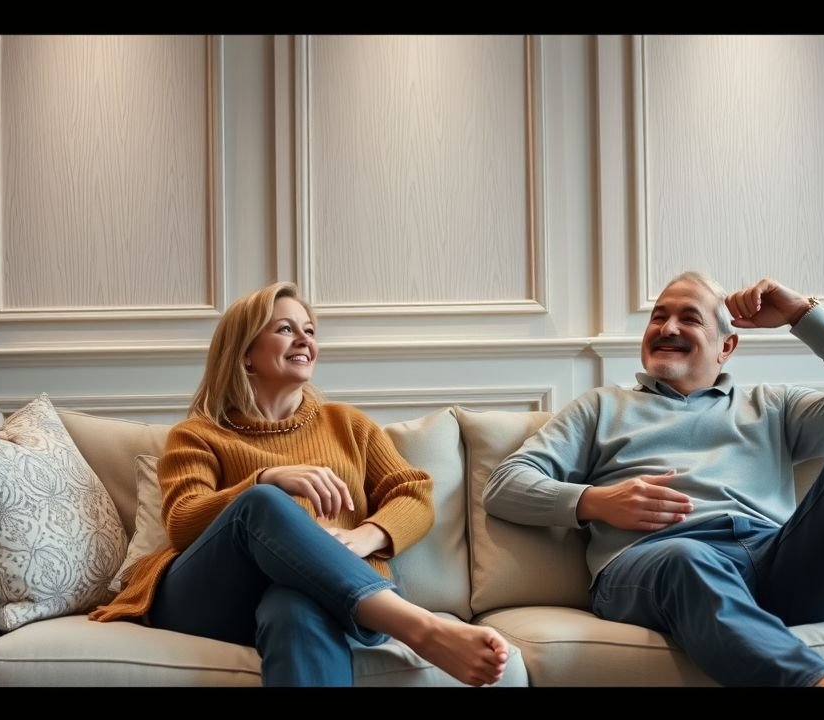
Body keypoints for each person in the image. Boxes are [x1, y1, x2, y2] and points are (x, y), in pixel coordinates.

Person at [483, 271, 824, 687]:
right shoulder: (601, 407)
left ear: (727, 345)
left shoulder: (774, 406)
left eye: (689, 318)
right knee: (685, 558)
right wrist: (596, 502)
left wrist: (802, 315)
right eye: (658, 316)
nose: (667, 328)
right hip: (657, 563)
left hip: (779, 561)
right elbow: (506, 483)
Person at [91, 281, 510, 687]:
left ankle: (395, 617)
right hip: (208, 595)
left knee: (294, 608)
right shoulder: (199, 434)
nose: (304, 340)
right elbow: (183, 521)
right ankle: (420, 629)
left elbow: (413, 492)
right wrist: (266, 479)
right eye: (285, 329)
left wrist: (366, 536)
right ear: (246, 353)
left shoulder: (348, 425)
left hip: (318, 592)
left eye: (309, 331)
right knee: (262, 501)